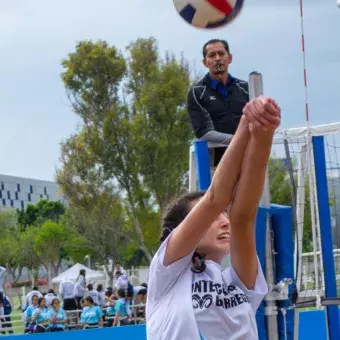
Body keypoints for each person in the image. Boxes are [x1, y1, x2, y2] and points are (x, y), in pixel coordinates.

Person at [146, 96, 281, 339]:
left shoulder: (236, 281)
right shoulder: (167, 274)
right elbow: (214, 199)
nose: (224, 220)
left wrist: (263, 133)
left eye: (222, 215)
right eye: (211, 218)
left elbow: (243, 216)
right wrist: (245, 123)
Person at [187, 39, 249, 166]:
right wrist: (235, 140)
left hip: (247, 157)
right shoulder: (197, 92)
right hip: (215, 164)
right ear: (205, 62)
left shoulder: (246, 87)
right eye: (212, 55)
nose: (217, 58)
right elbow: (202, 132)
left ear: (229, 58)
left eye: (221, 54)